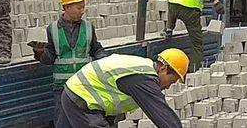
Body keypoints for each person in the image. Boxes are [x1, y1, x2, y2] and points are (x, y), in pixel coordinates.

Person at [31, 0, 107, 125]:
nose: (82, 11)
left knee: (86, 122)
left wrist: (104, 61)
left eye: (83, 7)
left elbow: (96, 49)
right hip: (62, 87)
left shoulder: (88, 28)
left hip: (84, 85)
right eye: (79, 7)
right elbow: (50, 59)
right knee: (63, 122)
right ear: (66, 7)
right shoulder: (52, 29)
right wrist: (40, 52)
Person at [56, 48, 189, 128]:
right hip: (82, 100)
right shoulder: (144, 80)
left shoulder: (143, 68)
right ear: (163, 69)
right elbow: (162, 115)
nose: (168, 87)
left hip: (75, 93)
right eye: (172, 81)